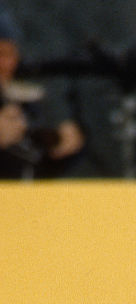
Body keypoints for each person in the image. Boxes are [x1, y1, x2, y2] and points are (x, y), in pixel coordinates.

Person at [0, 5, 84, 179]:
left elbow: (42, 165)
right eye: (0, 54)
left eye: (10, 55)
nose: (5, 64)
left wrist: (64, 141)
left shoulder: (26, 98)